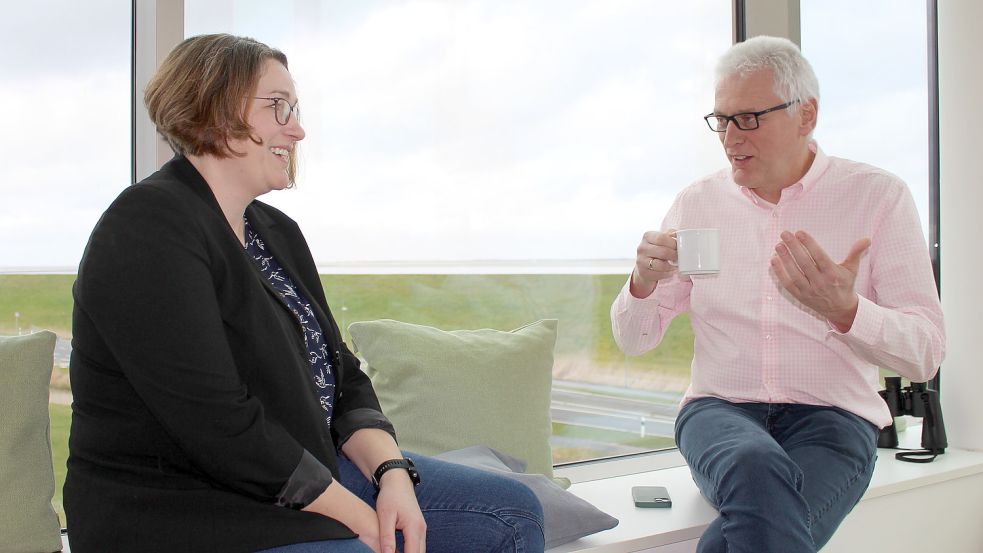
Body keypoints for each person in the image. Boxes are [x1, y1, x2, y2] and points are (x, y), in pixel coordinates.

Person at [64, 34, 544, 553]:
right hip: (186, 508)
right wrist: (357, 517)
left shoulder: (275, 231)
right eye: (278, 107)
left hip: (300, 473)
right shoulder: (146, 227)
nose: (297, 129)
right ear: (213, 105)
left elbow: (343, 375)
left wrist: (392, 473)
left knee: (512, 513)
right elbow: (218, 425)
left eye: (295, 108)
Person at [611, 36, 944, 553]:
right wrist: (642, 283)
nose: (728, 137)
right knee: (752, 463)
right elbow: (634, 342)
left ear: (806, 114)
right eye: (720, 119)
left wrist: (846, 310)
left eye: (748, 118)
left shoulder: (879, 197)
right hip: (719, 413)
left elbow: (925, 353)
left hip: (833, 420)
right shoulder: (697, 203)